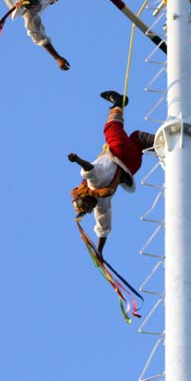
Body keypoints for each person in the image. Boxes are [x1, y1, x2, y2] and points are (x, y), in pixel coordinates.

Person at [69, 91, 155, 258]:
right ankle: (118, 104)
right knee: (111, 129)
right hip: (120, 155)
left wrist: (100, 251)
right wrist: (77, 159)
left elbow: (103, 229)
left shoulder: (102, 205)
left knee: (136, 138)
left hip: (133, 165)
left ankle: (161, 145)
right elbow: (88, 168)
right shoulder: (92, 184)